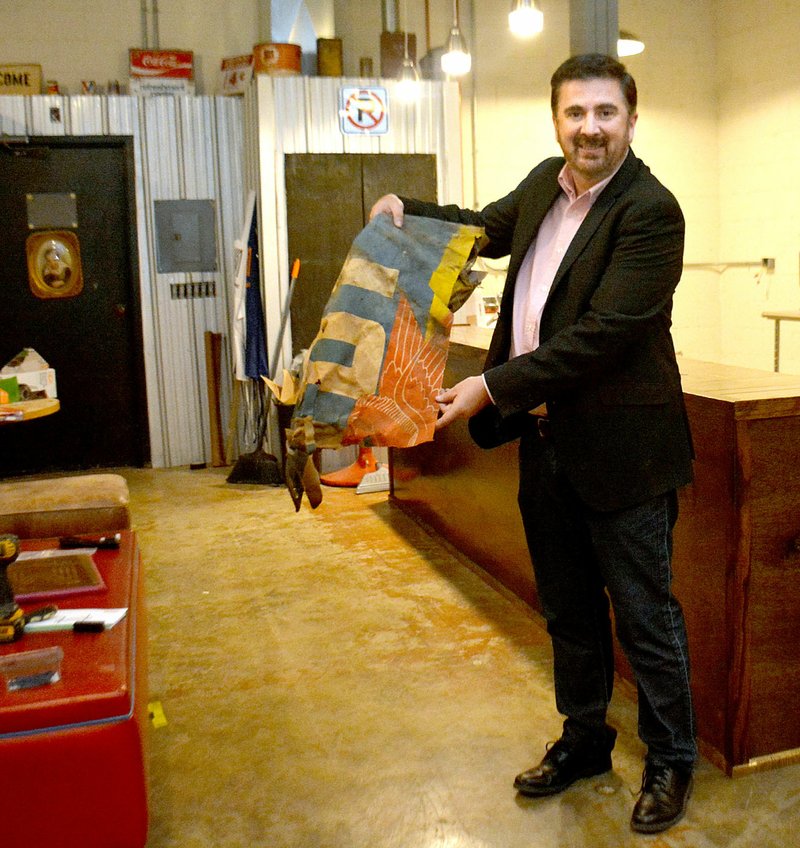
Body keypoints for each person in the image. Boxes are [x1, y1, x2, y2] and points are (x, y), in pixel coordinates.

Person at [370, 53, 696, 834]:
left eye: (605, 114)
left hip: (625, 455)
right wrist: (403, 210)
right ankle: (585, 738)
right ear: (557, 119)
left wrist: (491, 386)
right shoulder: (545, 182)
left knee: (645, 616)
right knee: (569, 611)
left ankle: (671, 757)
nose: (589, 128)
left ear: (630, 120)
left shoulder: (650, 211)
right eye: (575, 113)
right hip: (547, 445)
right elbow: (478, 230)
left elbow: (600, 338)